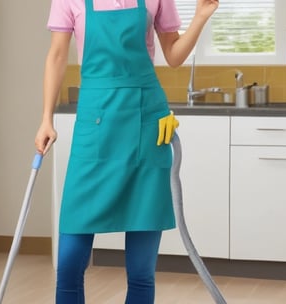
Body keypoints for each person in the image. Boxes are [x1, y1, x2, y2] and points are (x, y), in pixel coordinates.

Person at [34, 0, 219, 303]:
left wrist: (200, 17)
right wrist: (46, 118)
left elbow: (172, 54)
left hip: (145, 124)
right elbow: (56, 55)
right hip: (94, 122)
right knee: (68, 265)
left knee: (141, 271)